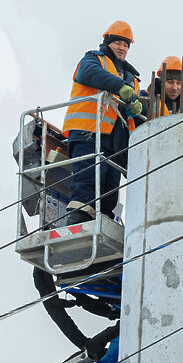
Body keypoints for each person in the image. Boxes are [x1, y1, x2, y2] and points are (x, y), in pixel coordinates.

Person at [62, 21, 143, 225]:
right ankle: (79, 215)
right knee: (87, 178)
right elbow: (88, 74)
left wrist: (134, 108)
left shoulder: (131, 77)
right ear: (107, 42)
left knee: (110, 188)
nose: (122, 48)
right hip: (88, 131)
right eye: (117, 42)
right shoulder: (94, 59)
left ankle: (103, 219)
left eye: (126, 45)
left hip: (114, 141)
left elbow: (124, 109)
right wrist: (119, 87)